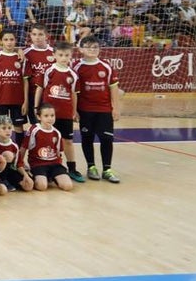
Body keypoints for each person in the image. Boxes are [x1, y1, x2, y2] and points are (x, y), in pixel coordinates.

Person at [74, 35, 123, 183]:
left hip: (104, 109)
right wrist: (74, 110)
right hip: (85, 109)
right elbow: (73, 91)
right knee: (87, 138)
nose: (92, 49)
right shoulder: (77, 66)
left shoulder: (106, 66)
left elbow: (113, 88)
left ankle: (107, 169)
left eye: (95, 47)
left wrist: (116, 107)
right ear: (81, 49)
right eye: (88, 47)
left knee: (106, 139)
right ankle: (91, 167)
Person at [36, 41, 83, 182]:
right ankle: (48, 166)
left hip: (65, 113)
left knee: (67, 141)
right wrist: (36, 107)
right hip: (48, 115)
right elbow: (40, 89)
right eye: (61, 55)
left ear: (71, 56)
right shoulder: (49, 71)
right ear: (54, 55)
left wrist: (74, 111)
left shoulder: (73, 75)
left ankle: (72, 168)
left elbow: (74, 94)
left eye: (66, 55)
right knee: (47, 140)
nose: (63, 58)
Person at [23, 103, 74, 192]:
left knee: (68, 186)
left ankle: (52, 176)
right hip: (38, 164)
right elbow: (23, 148)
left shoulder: (57, 133)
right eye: (46, 116)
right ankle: (36, 176)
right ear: (39, 117)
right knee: (42, 187)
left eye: (52, 115)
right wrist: (20, 165)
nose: (50, 118)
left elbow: (58, 153)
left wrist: (58, 166)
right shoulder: (34, 130)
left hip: (54, 164)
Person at [0, 116, 33, 193]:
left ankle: (8, 181)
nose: (7, 131)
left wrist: (25, 175)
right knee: (8, 155)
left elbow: (19, 164)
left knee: (28, 186)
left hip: (9, 172)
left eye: (9, 128)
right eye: (4, 128)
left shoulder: (14, 146)